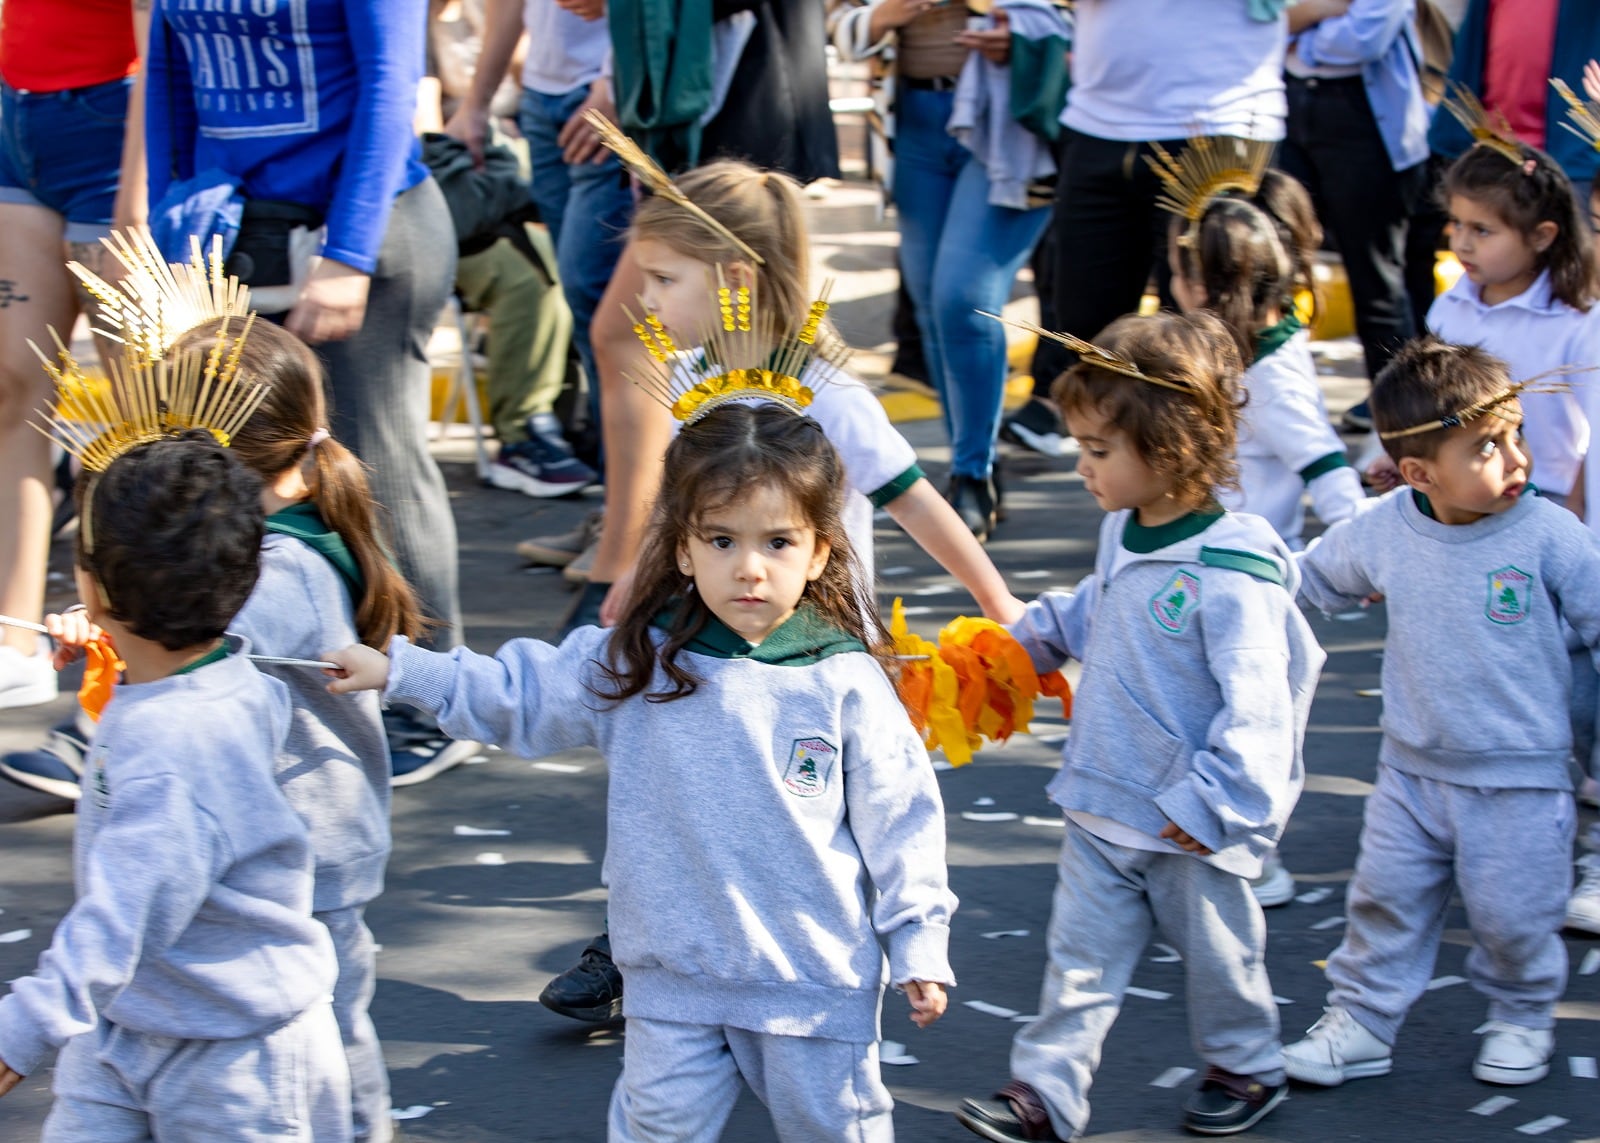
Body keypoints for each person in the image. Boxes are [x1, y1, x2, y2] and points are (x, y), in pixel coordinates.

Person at [326, 400, 956, 1141]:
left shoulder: (842, 677)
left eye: (778, 541)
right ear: (683, 549)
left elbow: (903, 817)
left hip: (810, 984)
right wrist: (399, 670)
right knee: (656, 1129)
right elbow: (516, 692)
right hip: (670, 976)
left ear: (819, 551)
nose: (749, 566)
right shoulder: (634, 659)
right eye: (722, 539)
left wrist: (920, 938)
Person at [534, 151, 1022, 1022]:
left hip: (812, 646)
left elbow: (915, 500)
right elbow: (678, 509)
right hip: (702, 628)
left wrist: (996, 600)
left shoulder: (829, 397)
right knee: (667, 786)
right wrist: (637, 583)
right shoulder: (692, 382)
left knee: (810, 811)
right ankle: (636, 943)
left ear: (733, 277)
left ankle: (854, 946)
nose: (644, 299)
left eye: (662, 278)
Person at [956, 311, 1324, 1143]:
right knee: (1077, 967)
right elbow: (1099, 607)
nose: (1083, 466)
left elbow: (1261, 708)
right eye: (1081, 446)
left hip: (1188, 823)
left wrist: (1210, 806)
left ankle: (1247, 1063)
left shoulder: (1233, 570)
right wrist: (1025, 640)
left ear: (1171, 447)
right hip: (1103, 796)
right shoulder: (1125, 527)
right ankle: (1045, 1094)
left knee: (1223, 964)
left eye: (1098, 450)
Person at [143, 0, 470, 781]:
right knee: (241, 467)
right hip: (238, 228)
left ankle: (432, 693)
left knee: (374, 457)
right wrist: (171, 219)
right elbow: (167, 74)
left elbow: (392, 81)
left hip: (358, 229)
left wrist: (350, 253)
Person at [0, 431, 348, 1140]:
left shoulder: (176, 746)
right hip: (126, 1023)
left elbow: (122, 918)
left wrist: (18, 1033)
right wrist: (114, 642)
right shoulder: (218, 669)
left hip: (235, 1053)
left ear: (93, 583)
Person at [1283, 336, 1600, 1089]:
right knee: (1383, 903)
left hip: (1521, 779)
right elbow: (1313, 578)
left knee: (1513, 917)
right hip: (1411, 771)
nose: (1517, 457)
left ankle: (1521, 1015)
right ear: (1421, 472)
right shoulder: (1388, 526)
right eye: (1489, 445)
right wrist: (1237, 573)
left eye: (1516, 433)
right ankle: (1361, 1021)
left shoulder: (1552, 535)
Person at [997, 0, 1287, 474]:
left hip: (1219, 125)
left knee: (1219, 329)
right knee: (1087, 335)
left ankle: (1232, 505)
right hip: (1097, 122)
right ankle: (1134, 514)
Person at [831, 0, 1069, 539]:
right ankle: (972, 458)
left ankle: (971, 472)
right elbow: (839, 28)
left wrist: (1024, 37)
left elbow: (1082, 20)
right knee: (935, 307)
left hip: (1009, 118)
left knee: (965, 300)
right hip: (912, 120)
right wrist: (892, 11)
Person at [0, 0, 145, 710]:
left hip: (117, 117)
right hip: (19, 107)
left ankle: (145, 642)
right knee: (9, 389)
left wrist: (140, 190)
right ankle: (14, 641)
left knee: (143, 408)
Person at [1373, 134, 1599, 516]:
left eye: (1482, 230)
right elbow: (1438, 405)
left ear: (1542, 236)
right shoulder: (1451, 306)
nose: (1462, 243)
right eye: (1456, 224)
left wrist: (1580, 514)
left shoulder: (1576, 319)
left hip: (1549, 499)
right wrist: (1401, 452)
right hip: (1465, 496)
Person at [1164, 174, 1366, 550]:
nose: (1172, 284)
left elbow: (1324, 465)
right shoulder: (1247, 349)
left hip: (1245, 563)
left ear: (1202, 288)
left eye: (1177, 272)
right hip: (1205, 554)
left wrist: (1359, 550)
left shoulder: (1272, 379)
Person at [1279, 0, 1432, 430]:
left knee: (1377, 279)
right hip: (1291, 107)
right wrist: (1317, 13)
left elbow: (1365, 38)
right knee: (1278, 268)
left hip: (1367, 122)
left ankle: (1399, 415)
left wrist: (1301, 25)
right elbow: (1265, 28)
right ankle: (1280, 408)